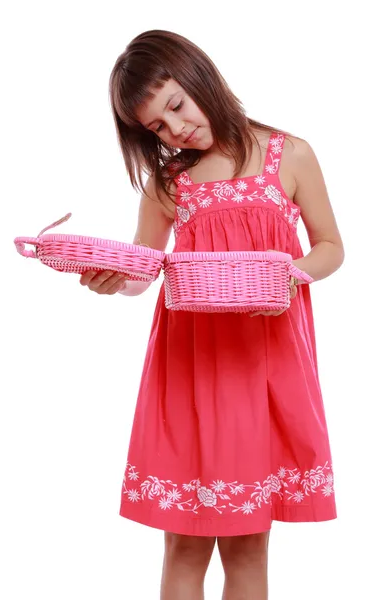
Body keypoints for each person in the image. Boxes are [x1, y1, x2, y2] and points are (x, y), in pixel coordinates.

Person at [79, 29, 344, 600]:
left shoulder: (289, 154)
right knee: (184, 542)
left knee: (249, 544)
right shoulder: (168, 184)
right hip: (189, 374)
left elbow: (329, 247)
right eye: (157, 127)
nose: (176, 130)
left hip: (264, 371)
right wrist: (115, 282)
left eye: (175, 105)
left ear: (200, 76)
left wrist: (287, 273)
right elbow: (144, 269)